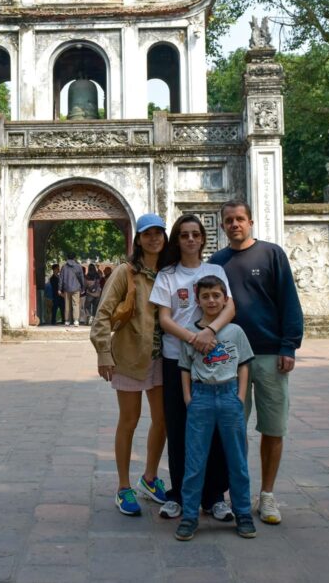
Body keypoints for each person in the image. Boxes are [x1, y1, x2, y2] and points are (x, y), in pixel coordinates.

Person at [210, 201, 303, 526]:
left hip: (269, 354)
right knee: (232, 429)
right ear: (222, 226)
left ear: (250, 221)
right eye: (229, 220)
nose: (235, 224)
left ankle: (267, 495)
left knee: (273, 428)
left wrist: (289, 345)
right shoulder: (217, 263)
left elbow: (289, 300)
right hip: (230, 360)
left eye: (240, 219)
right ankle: (237, 492)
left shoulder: (271, 254)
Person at [149, 214, 236, 521]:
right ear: (177, 239)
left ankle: (215, 496)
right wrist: (192, 338)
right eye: (184, 234)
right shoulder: (167, 275)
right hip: (177, 360)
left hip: (213, 359)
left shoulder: (215, 270)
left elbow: (230, 306)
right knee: (180, 428)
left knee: (215, 428)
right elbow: (164, 318)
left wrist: (209, 334)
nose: (189, 239)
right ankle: (179, 495)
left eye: (195, 234)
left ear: (203, 239)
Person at [90, 213, 170, 516]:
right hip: (129, 355)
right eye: (148, 234)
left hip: (163, 357)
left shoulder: (169, 271)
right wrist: (103, 352)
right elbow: (103, 313)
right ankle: (123, 486)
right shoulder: (126, 272)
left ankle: (149, 478)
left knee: (161, 420)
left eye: (159, 233)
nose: (154, 239)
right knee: (129, 420)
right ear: (138, 239)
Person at [175, 275, 255, 541]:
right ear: (198, 300)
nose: (211, 300)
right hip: (201, 397)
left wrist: (241, 396)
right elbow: (185, 368)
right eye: (206, 296)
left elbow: (244, 364)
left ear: (225, 299)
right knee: (195, 460)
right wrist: (188, 397)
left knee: (237, 459)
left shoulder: (235, 331)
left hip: (229, 395)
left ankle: (243, 513)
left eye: (216, 296)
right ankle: (189, 516)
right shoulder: (192, 332)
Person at [59, 252, 86, 326]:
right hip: (76, 288)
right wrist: (83, 287)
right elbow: (81, 278)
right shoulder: (78, 266)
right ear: (74, 258)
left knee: (67, 305)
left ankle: (67, 321)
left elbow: (61, 278)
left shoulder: (64, 267)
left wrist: (59, 288)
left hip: (67, 288)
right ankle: (76, 321)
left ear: (67, 258)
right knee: (75, 304)